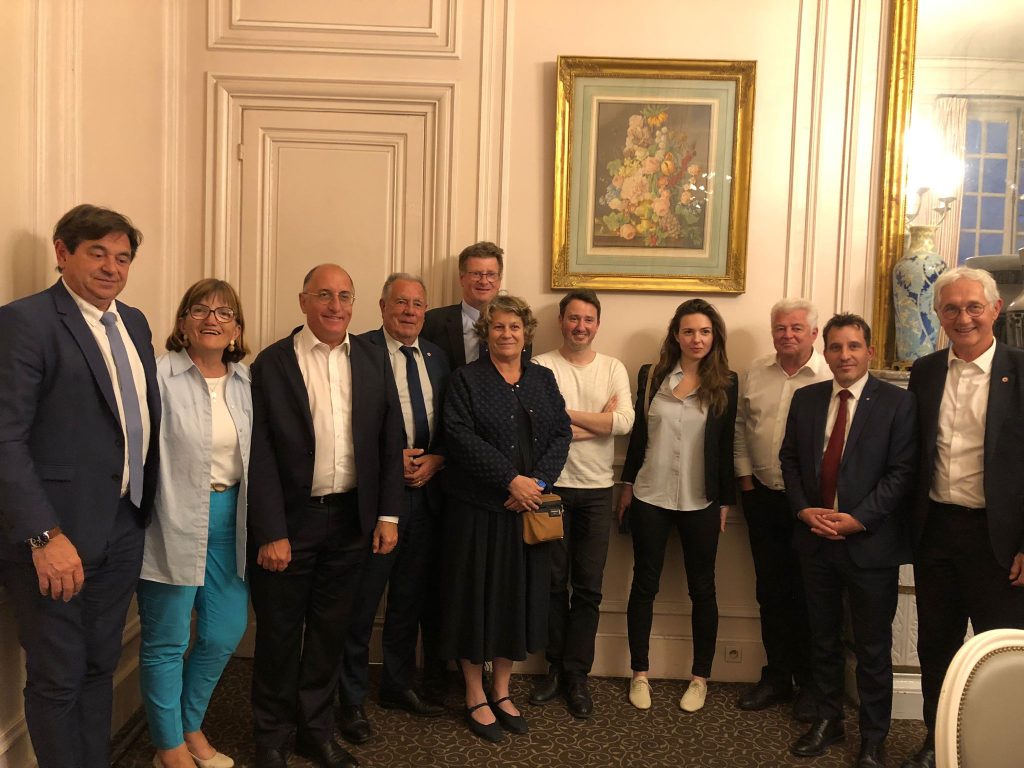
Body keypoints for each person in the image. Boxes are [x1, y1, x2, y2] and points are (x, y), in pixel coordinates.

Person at [0, 204, 161, 768]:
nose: (112, 268)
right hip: (56, 538)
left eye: (122, 258)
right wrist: (43, 536)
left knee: (99, 666)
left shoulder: (134, 322)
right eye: (97, 253)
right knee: (58, 677)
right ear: (62, 252)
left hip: (124, 525)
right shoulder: (26, 322)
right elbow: (5, 439)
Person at [247, 264, 405, 768]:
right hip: (291, 524)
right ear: (303, 301)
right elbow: (258, 451)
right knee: (278, 633)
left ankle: (315, 731)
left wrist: (388, 515)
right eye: (324, 295)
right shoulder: (272, 362)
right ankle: (272, 734)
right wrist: (270, 530)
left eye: (344, 296)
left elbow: (390, 439)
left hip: (352, 521)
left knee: (329, 633)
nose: (335, 306)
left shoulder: (373, 358)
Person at [780, 313, 916, 768]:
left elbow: (901, 474)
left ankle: (874, 738)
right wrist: (803, 510)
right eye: (836, 347)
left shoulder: (898, 403)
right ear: (826, 352)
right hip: (815, 540)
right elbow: (790, 460)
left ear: (869, 351)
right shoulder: (807, 399)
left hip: (869, 546)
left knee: (873, 648)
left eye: (854, 346)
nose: (844, 355)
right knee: (823, 640)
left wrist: (858, 520)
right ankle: (828, 719)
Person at [902, 267, 1024, 768]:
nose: (963, 317)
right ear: (938, 314)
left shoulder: (1021, 371)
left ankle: (1003, 750)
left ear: (995, 309)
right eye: (951, 308)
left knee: (1004, 654)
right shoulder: (925, 371)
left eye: (974, 306)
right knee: (936, 649)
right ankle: (937, 744)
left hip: (1002, 542)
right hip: (937, 533)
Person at [441, 294, 571, 742]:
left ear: (526, 332)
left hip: (526, 512)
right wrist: (509, 481)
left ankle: (501, 689)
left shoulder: (543, 378)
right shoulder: (465, 379)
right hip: (477, 512)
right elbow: (458, 436)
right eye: (498, 326)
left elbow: (561, 433)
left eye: (514, 327)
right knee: (474, 600)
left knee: (516, 601)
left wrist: (535, 484)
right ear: (485, 332)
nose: (507, 334)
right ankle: (474, 693)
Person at [139, 279, 251, 768]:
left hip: (231, 520)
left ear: (236, 329)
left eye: (224, 313)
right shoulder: (156, 376)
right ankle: (169, 748)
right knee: (167, 640)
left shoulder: (247, 383)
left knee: (224, 631)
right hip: (171, 518)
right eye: (200, 309)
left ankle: (188, 725)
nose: (212, 320)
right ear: (183, 321)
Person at [337, 274, 450, 744]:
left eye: (417, 304)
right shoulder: (356, 351)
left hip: (426, 494)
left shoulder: (438, 357)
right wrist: (388, 460)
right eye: (400, 302)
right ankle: (348, 700)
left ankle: (397, 685)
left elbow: (451, 422)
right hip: (375, 497)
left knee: (408, 598)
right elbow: (341, 420)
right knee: (361, 603)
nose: (409, 311)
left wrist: (438, 459)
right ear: (382, 306)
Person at [617, 298, 738, 715]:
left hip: (701, 500)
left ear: (714, 336)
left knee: (703, 589)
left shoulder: (727, 382)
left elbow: (726, 446)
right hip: (650, 494)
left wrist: (725, 501)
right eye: (689, 331)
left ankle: (700, 678)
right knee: (643, 585)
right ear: (676, 335)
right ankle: (639, 673)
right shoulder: (651, 376)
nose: (696, 339)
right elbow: (638, 437)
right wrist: (627, 485)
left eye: (704, 331)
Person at [530, 289, 634, 718]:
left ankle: (577, 675)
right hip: (551, 488)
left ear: (597, 324)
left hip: (596, 491)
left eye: (588, 319)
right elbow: (538, 426)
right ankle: (554, 668)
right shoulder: (540, 366)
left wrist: (565, 416)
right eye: (573, 318)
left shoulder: (613, 367)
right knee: (553, 584)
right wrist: (597, 422)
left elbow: (624, 422)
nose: (580, 326)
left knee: (588, 588)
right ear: (561, 321)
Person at [733, 298, 831, 721]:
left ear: (814, 333)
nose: (787, 335)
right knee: (770, 592)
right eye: (780, 328)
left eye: (796, 328)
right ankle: (776, 676)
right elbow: (741, 427)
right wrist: (744, 480)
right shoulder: (756, 371)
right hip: (762, 498)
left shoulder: (830, 374)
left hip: (811, 505)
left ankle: (810, 684)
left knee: (810, 594)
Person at [421, 240, 530, 373]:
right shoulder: (432, 322)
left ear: (499, 279)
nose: (483, 281)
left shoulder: (518, 327)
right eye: (476, 274)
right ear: (462, 278)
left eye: (491, 274)